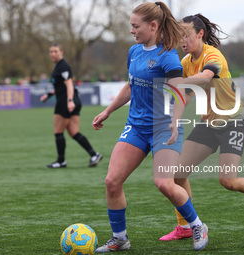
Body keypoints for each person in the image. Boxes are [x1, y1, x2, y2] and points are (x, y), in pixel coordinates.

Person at [159, 14, 244, 242]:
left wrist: (178, 82)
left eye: (186, 35)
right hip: (209, 124)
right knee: (177, 174)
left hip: (234, 121)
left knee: (228, 181)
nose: (182, 40)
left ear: (200, 34)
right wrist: (175, 120)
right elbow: (185, 96)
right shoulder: (186, 63)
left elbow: (205, 77)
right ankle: (185, 226)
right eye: (179, 36)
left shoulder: (214, 56)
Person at [92, 2, 208, 252]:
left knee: (164, 183)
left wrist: (175, 121)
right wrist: (108, 111)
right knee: (112, 181)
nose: (132, 30)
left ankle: (197, 225)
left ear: (153, 26)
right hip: (136, 127)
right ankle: (120, 238)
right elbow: (131, 85)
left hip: (164, 128)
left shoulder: (168, 56)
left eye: (136, 26)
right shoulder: (133, 52)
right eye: (131, 25)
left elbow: (179, 91)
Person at [40, 43, 103, 168]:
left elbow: (69, 84)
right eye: (51, 51)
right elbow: (61, 86)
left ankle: (61, 161)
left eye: (55, 51)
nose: (52, 54)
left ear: (61, 52)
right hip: (73, 99)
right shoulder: (59, 66)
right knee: (74, 132)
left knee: (58, 131)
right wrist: (49, 94)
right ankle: (94, 154)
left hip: (65, 101)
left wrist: (69, 101)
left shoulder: (63, 66)